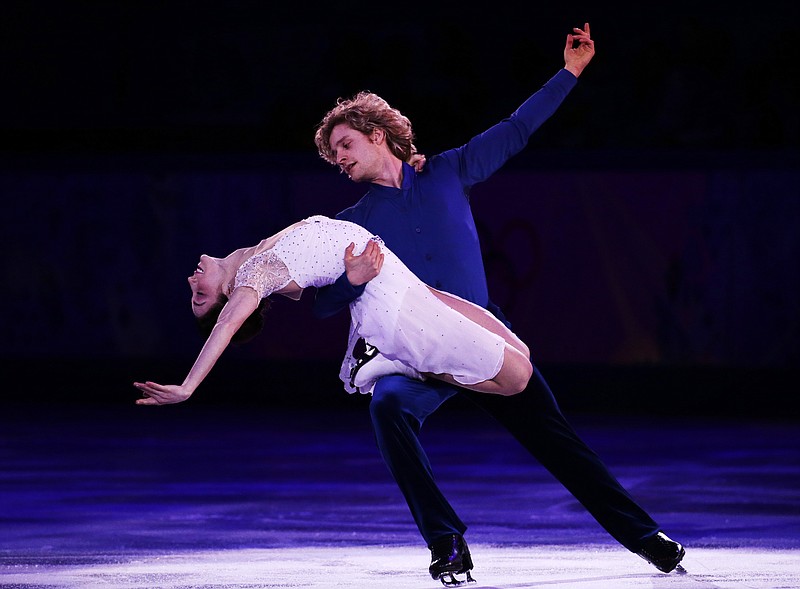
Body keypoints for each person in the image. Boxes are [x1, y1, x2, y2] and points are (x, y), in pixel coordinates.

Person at [312, 23, 686, 586]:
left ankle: (647, 539)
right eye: (331, 154)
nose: (338, 159)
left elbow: (517, 129)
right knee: (388, 407)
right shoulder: (348, 224)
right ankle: (447, 545)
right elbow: (319, 305)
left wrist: (571, 72)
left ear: (379, 135)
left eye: (345, 144)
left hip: (485, 340)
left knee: (558, 442)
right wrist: (350, 278)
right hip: (416, 355)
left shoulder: (447, 171)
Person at [133, 215, 534, 409]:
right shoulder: (253, 278)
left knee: (521, 350)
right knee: (518, 378)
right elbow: (225, 325)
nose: (191, 284)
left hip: (402, 280)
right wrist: (187, 388)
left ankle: (396, 361)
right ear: (225, 296)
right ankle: (399, 364)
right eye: (198, 297)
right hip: (392, 306)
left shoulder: (253, 256)